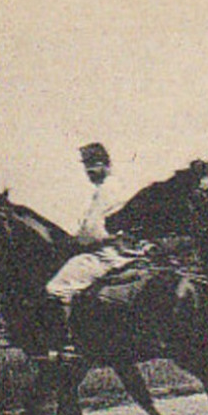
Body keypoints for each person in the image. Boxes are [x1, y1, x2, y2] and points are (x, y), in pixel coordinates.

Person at [43, 143, 139, 358]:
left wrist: (77, 241)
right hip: (120, 248)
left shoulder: (106, 190)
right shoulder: (115, 186)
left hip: (107, 253)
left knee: (56, 287)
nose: (89, 172)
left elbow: (93, 230)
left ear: (106, 164)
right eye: (86, 167)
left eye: (93, 166)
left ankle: (68, 344)